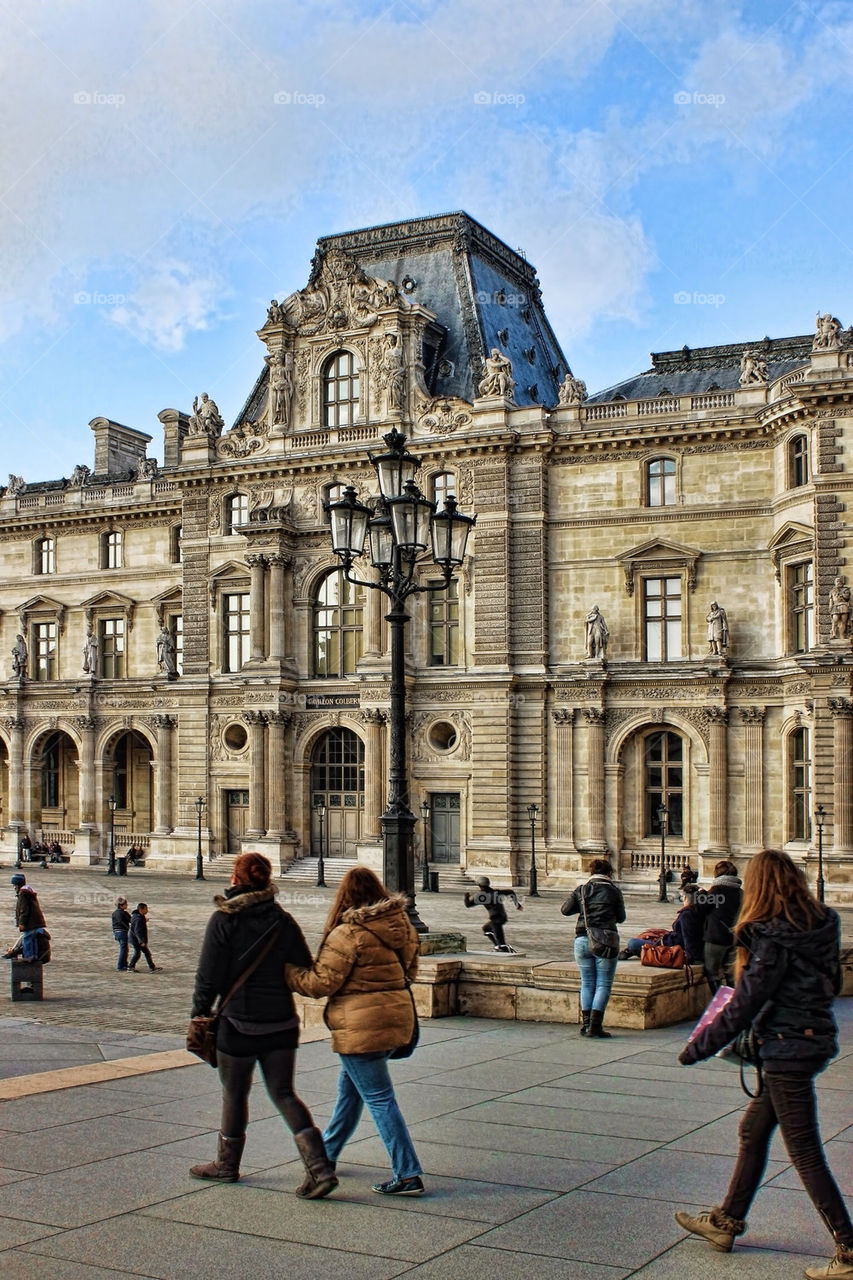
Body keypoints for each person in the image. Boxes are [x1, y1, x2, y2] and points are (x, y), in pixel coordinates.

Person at [676, 849, 853, 1280]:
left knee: (805, 1151)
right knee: (753, 1131)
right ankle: (725, 1222)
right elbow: (833, 982)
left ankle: (849, 1249)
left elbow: (746, 1001)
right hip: (810, 1039)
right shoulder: (822, 926)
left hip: (786, 1048)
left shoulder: (772, 936)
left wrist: (698, 1046)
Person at [189, 851, 336, 1196]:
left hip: (238, 1024)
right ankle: (320, 1168)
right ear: (267, 880)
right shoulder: (283, 921)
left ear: (236, 880)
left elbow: (207, 977)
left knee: (235, 1094)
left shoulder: (223, 920)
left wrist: (198, 1014)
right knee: (284, 1094)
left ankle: (227, 1165)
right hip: (281, 1023)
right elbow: (302, 965)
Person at [285, 865, 424, 1196]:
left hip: (361, 1028)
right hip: (396, 1020)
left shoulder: (346, 934)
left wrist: (289, 973)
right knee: (351, 1093)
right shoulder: (402, 925)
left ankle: (407, 1172)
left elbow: (321, 983)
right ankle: (326, 1157)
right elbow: (412, 971)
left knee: (379, 1098)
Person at [561, 857, 626, 1038]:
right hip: (605, 939)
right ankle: (595, 1027)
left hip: (582, 938)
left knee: (587, 982)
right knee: (603, 983)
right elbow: (621, 918)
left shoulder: (582, 890)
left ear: (591, 872)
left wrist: (583, 906)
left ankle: (586, 1024)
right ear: (609, 873)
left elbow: (565, 910)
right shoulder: (614, 891)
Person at [619, 883, 704, 962]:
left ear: (685, 898)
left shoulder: (687, 914)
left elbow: (688, 938)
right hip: (671, 941)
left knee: (632, 943)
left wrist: (691, 956)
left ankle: (630, 951)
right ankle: (630, 951)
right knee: (647, 935)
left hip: (670, 947)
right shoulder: (700, 912)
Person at [698, 858, 742, 991]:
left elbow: (701, 909)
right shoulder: (741, 893)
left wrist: (701, 894)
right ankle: (732, 1003)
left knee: (712, 972)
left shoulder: (716, 891)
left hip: (716, 937)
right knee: (731, 974)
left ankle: (718, 1003)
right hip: (735, 939)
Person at [464, 876, 523, 952]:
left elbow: (468, 904)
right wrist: (517, 904)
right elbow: (511, 892)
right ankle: (497, 946)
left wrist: (466, 897)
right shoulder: (496, 892)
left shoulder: (481, 896)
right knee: (486, 928)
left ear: (479, 885)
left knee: (501, 941)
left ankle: (501, 947)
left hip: (496, 919)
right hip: (502, 917)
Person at [3, 874, 50, 961]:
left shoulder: (23, 894)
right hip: (35, 923)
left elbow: (24, 911)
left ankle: (29, 957)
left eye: (14, 885)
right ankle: (31, 956)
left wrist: (22, 923)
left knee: (27, 940)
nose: (14, 888)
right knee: (29, 939)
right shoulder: (28, 893)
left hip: (30, 923)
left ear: (18, 885)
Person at [128, 904, 163, 972]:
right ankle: (151, 967)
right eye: (146, 909)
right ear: (141, 910)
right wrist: (141, 941)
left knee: (140, 953)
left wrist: (144, 920)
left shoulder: (137, 916)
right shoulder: (138, 919)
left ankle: (132, 966)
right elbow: (138, 931)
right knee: (143, 953)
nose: (147, 911)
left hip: (135, 939)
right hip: (137, 940)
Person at [112, 896, 132, 971]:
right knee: (124, 949)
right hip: (122, 932)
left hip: (116, 932)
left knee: (124, 949)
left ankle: (124, 964)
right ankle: (121, 966)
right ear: (121, 905)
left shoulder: (114, 913)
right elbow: (131, 920)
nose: (127, 906)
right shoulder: (124, 913)